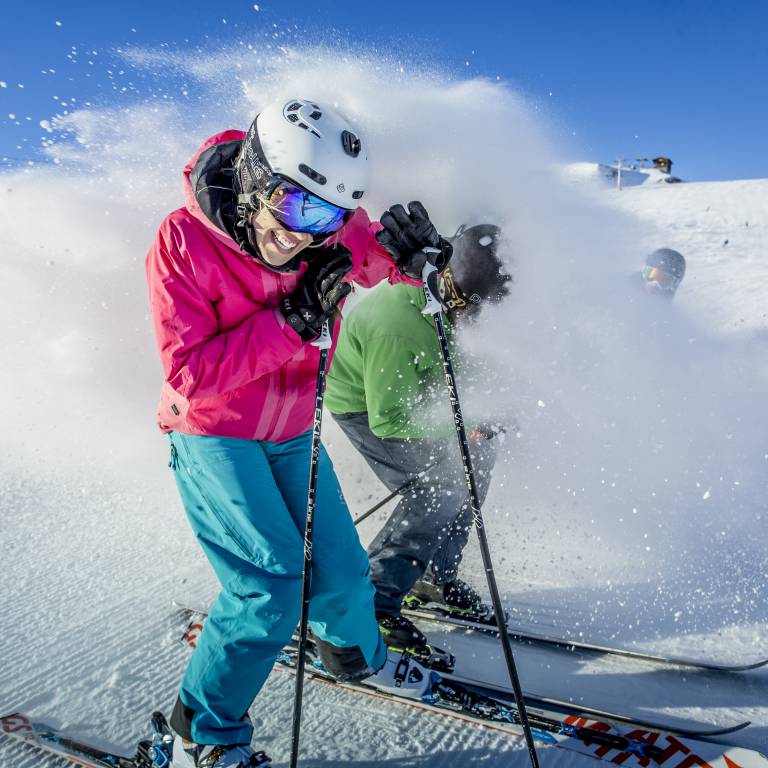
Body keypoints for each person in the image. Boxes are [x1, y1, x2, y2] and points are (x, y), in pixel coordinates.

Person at [145, 97, 453, 768]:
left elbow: (372, 254)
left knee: (344, 577)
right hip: (214, 435)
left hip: (290, 433)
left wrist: (417, 257)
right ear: (257, 179)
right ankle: (200, 734)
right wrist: (290, 320)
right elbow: (189, 374)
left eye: (329, 218)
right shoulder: (183, 242)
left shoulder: (319, 229)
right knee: (271, 589)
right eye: (298, 209)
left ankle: (354, 655)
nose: (309, 235)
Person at [324, 224, 512, 652]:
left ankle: (432, 578)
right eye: (467, 308)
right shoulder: (396, 324)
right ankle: (371, 600)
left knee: (476, 464)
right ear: (447, 282)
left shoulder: (457, 299)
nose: (474, 321)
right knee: (438, 491)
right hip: (366, 403)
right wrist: (463, 423)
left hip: (422, 386)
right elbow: (389, 419)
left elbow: (471, 361)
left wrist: (494, 407)